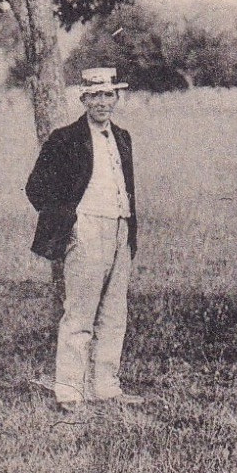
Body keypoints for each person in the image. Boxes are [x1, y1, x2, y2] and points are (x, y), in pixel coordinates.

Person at [25, 67, 144, 413]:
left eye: (108, 95)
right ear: (84, 99)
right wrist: (68, 219)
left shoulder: (122, 136)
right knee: (79, 314)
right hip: (87, 228)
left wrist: (128, 231)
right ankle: (69, 390)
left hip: (120, 228)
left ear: (116, 98)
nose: (102, 102)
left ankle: (106, 386)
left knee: (114, 313)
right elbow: (36, 187)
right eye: (95, 96)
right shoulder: (65, 138)